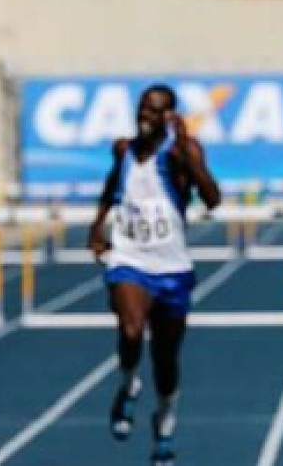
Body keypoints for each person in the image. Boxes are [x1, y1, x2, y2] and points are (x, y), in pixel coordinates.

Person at [88, 84, 220, 466]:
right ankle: (129, 382)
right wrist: (98, 226)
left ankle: (164, 424)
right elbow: (112, 187)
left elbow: (212, 199)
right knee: (130, 329)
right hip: (129, 258)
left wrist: (185, 151)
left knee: (165, 359)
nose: (145, 115)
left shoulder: (183, 152)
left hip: (172, 267)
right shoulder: (123, 150)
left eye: (154, 110)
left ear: (168, 116)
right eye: (142, 108)